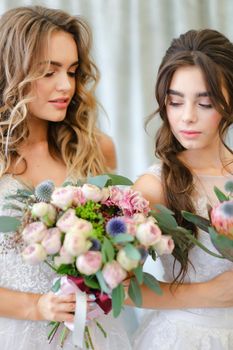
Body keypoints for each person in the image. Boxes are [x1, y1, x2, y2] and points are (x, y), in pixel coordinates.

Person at [0, 5, 132, 350]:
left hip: (96, 334)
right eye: (49, 72)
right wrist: (35, 306)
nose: (66, 86)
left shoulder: (96, 149)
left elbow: (119, 250)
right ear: (13, 72)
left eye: (72, 72)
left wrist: (121, 267)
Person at [131, 29, 233, 349]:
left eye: (204, 103)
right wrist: (206, 294)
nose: (187, 117)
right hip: (183, 337)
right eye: (175, 102)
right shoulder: (154, 187)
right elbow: (124, 287)